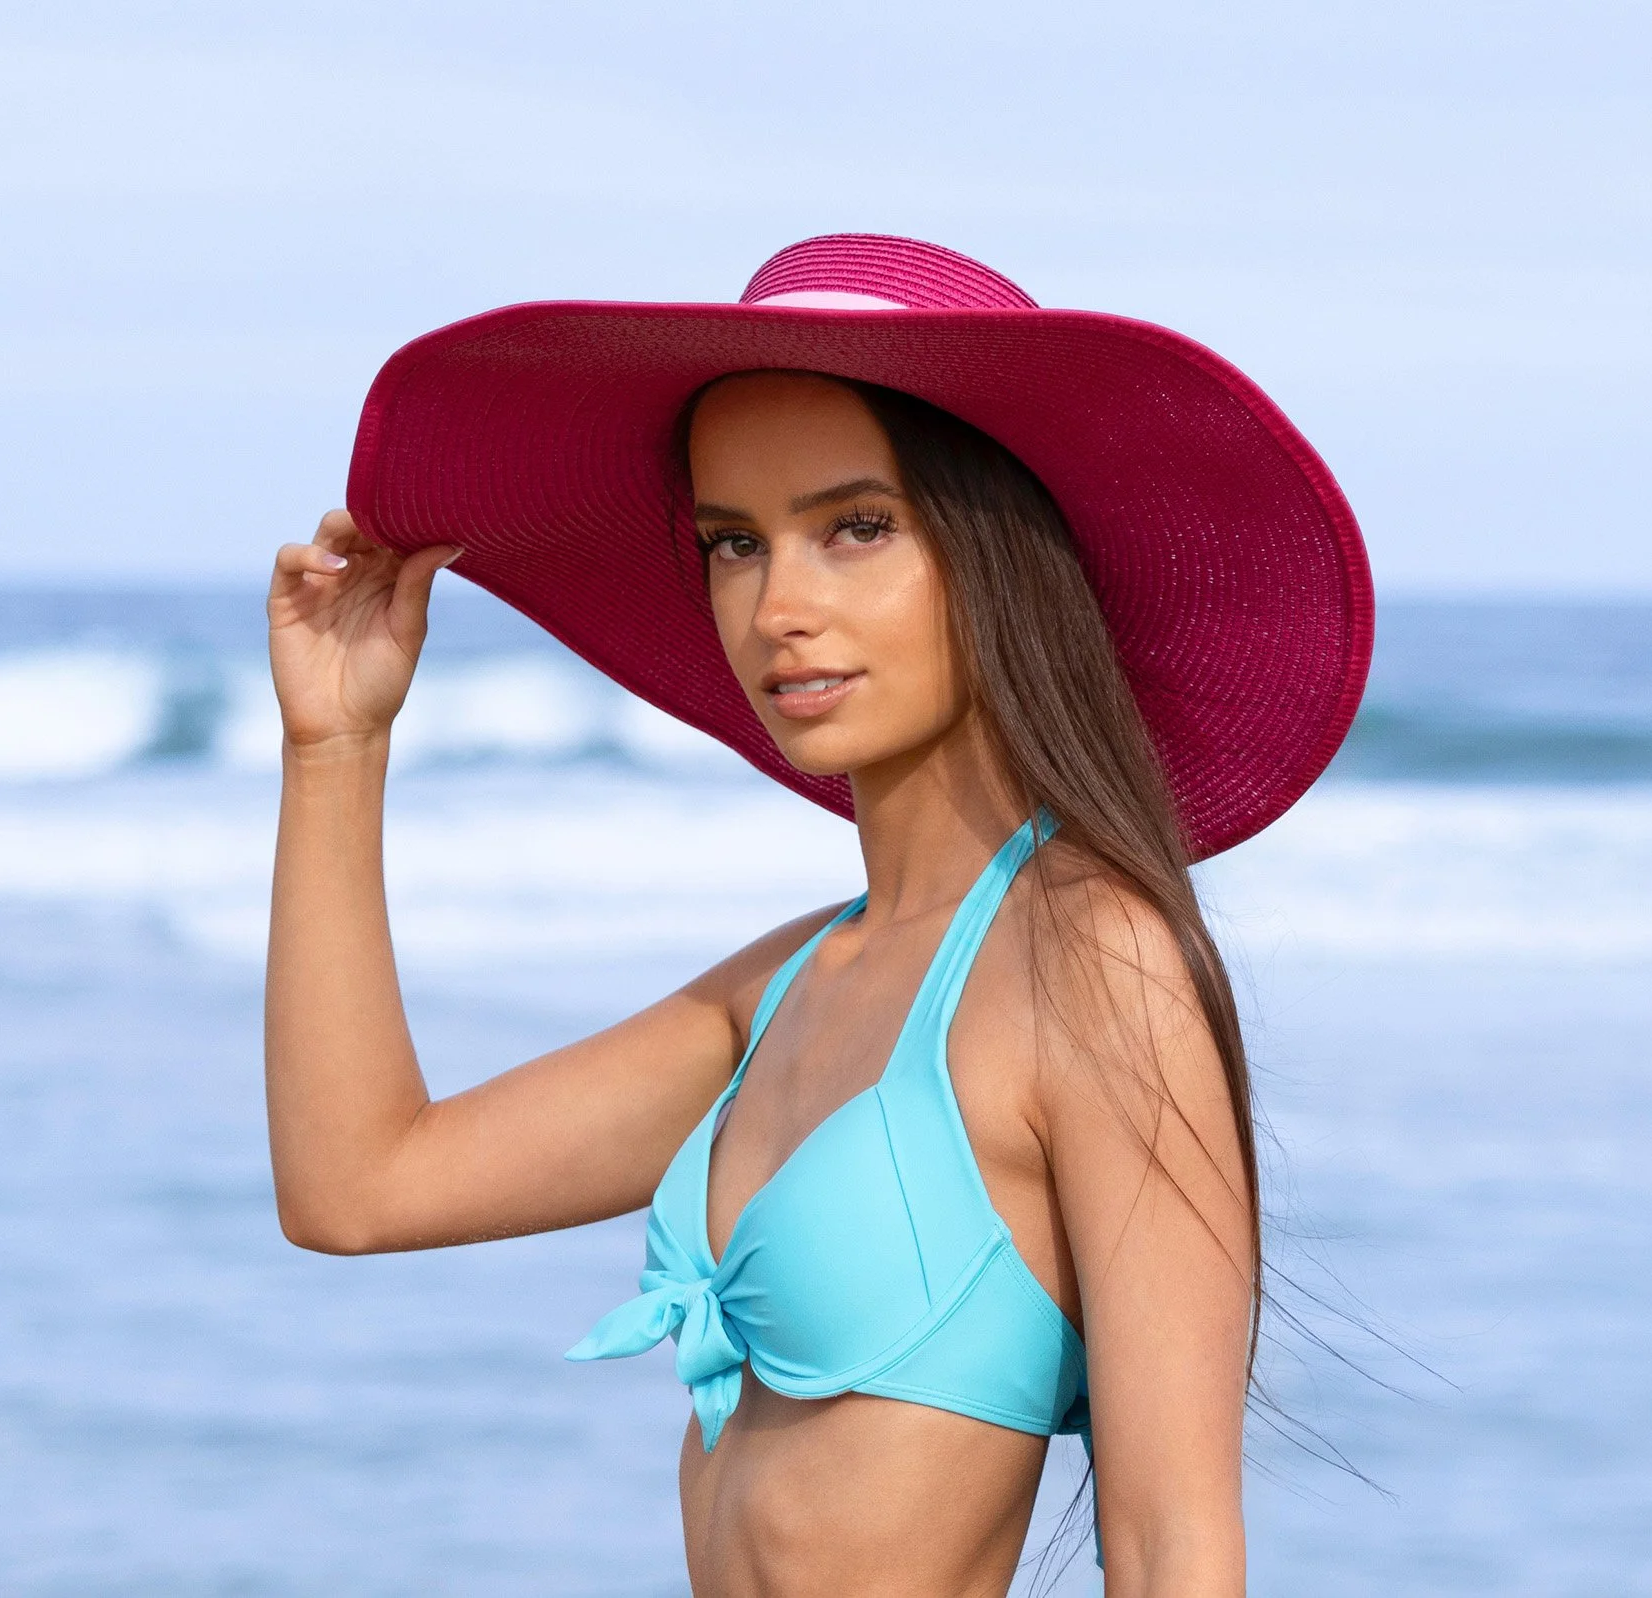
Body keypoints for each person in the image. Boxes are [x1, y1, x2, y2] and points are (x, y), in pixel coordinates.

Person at [263, 235, 1372, 1597]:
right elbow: (358, 1186)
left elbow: (1172, 1548)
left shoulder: (1094, 965)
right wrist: (334, 750)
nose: (780, 606)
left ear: (995, 551)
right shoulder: (782, 988)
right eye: (736, 542)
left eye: (856, 527)